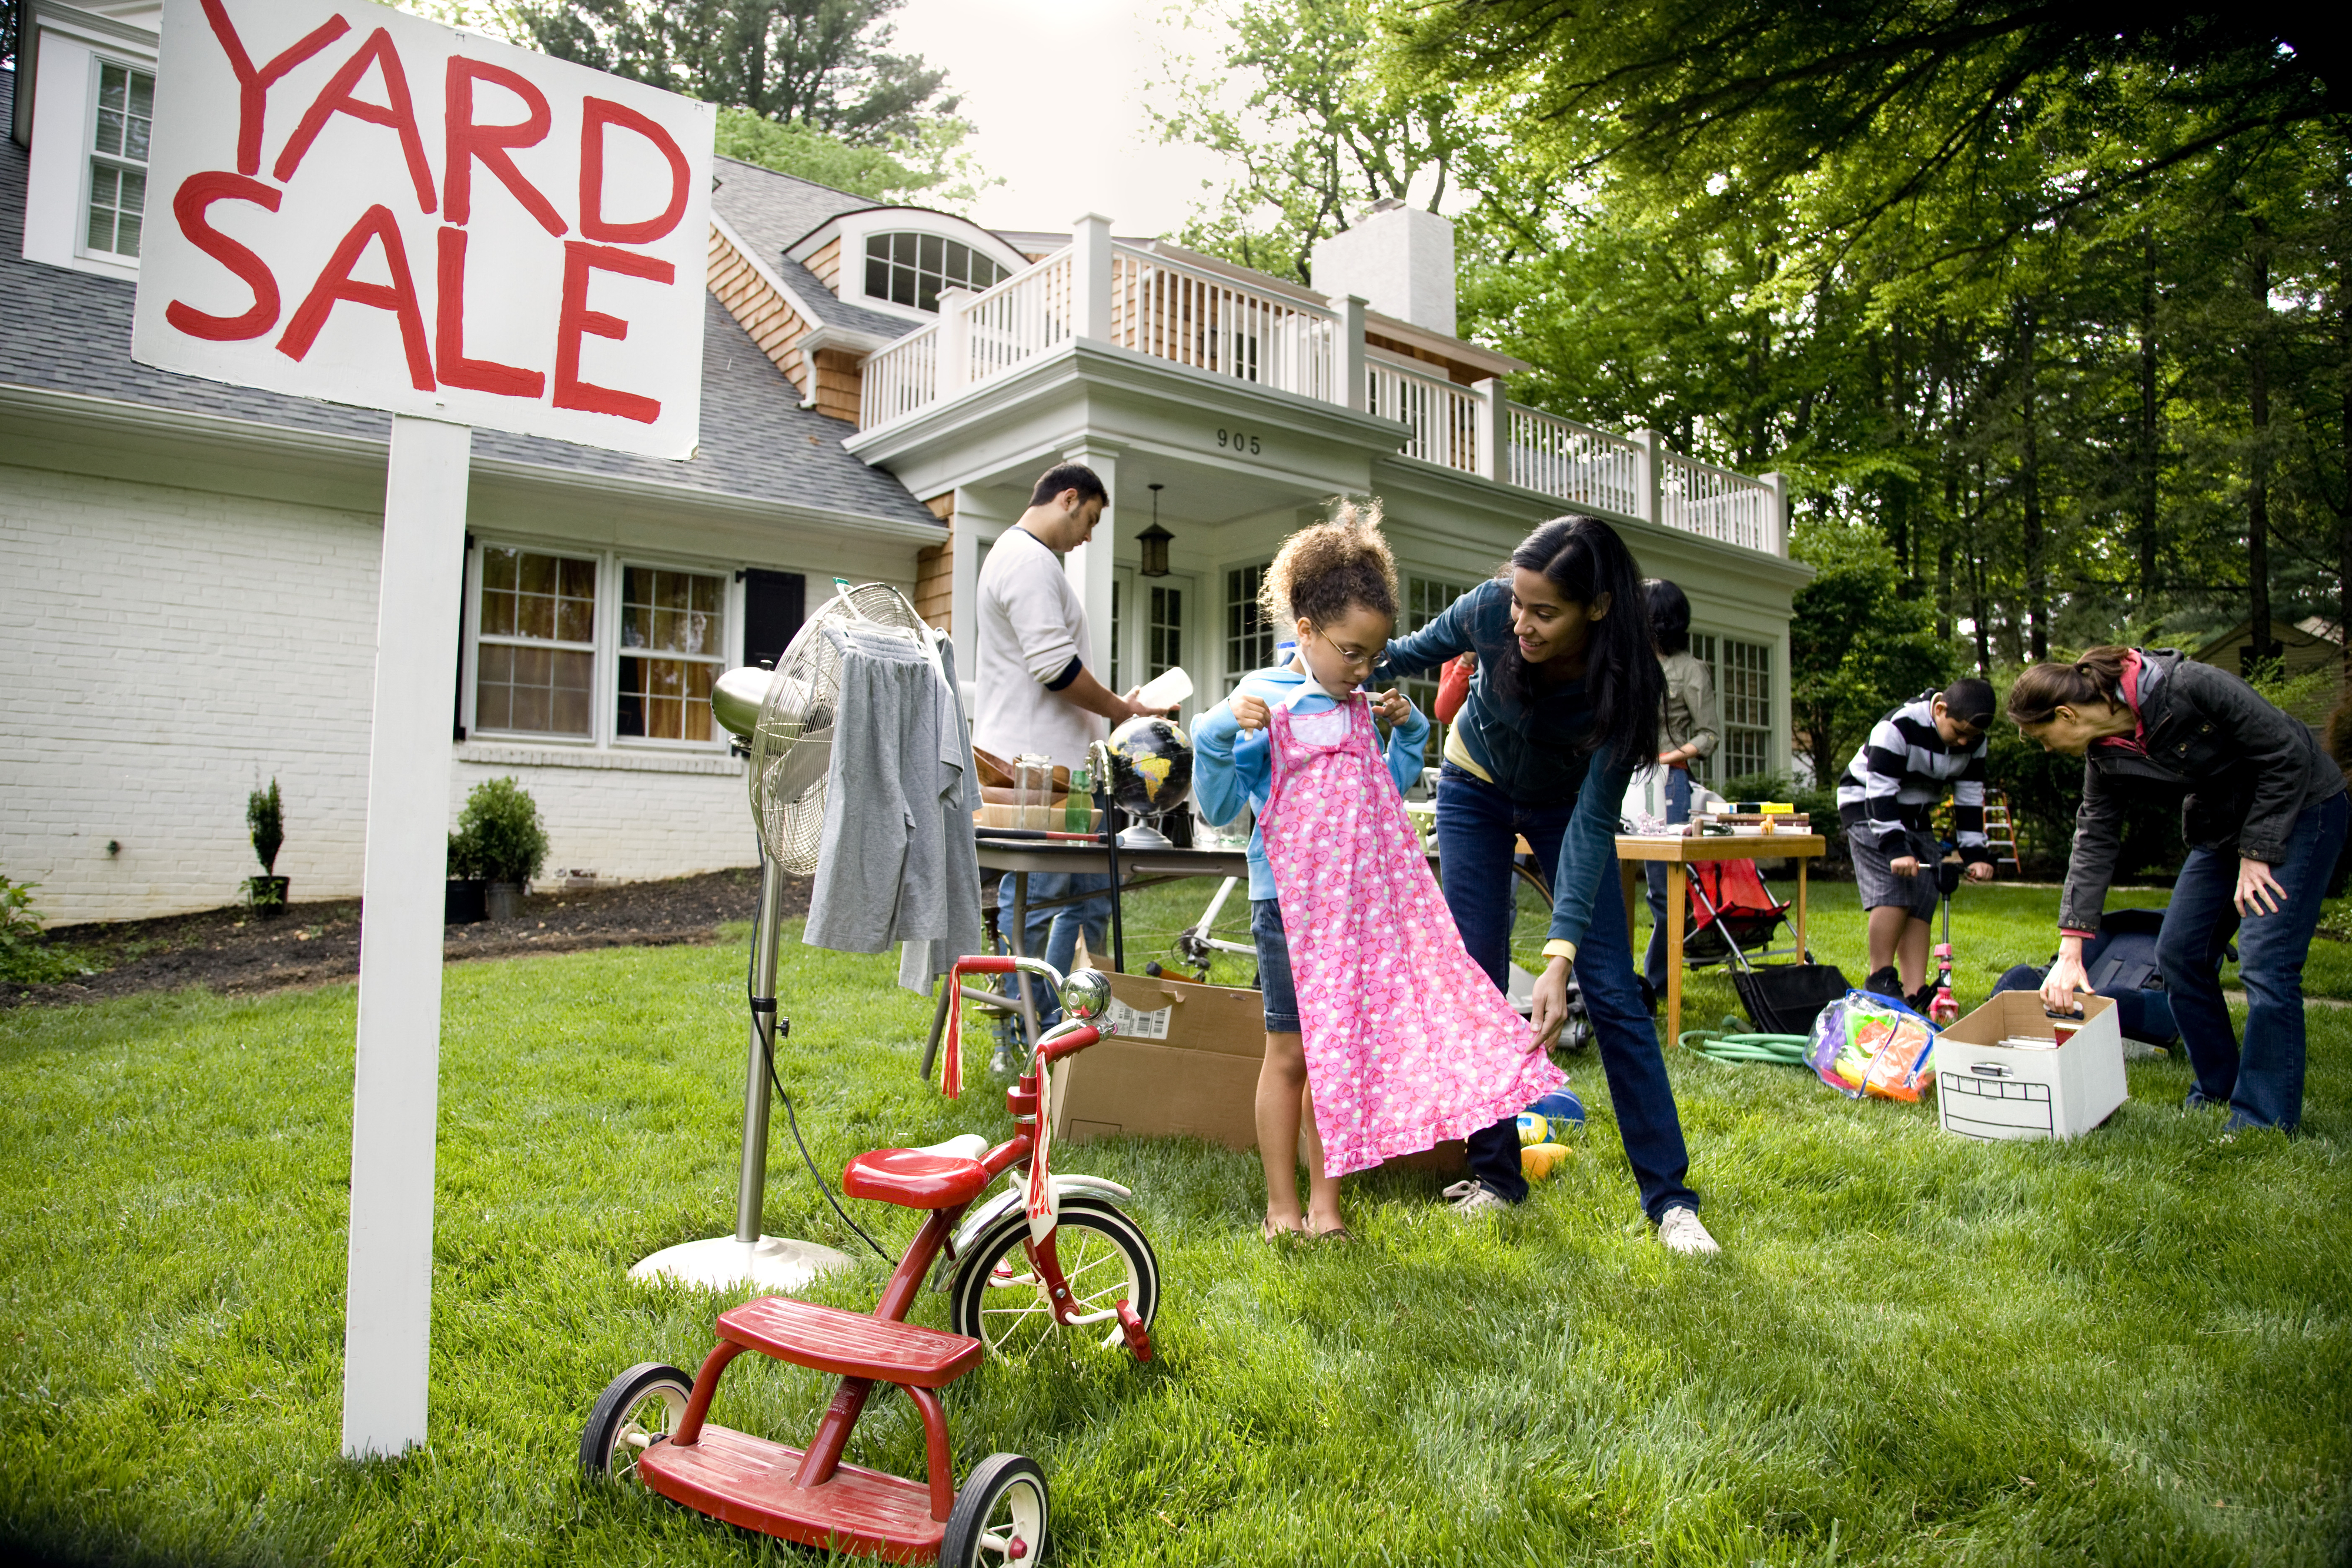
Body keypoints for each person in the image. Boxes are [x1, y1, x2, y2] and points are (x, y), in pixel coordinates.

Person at [1380, 515, 1719, 1255]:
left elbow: (1597, 823)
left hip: (1569, 807)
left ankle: (1669, 1201)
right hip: (1474, 787)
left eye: (1543, 611)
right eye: (1517, 604)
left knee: (1613, 991)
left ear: (1595, 607)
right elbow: (1401, 656)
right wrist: (1312, 674)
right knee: (1476, 976)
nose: (1521, 623)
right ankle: (1495, 1177)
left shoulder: (1630, 683)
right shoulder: (1486, 611)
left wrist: (1559, 954)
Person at [1192, 508, 1432, 1240]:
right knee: (1291, 1050)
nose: (1363, 669)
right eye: (1352, 652)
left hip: (1353, 908)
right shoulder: (1263, 703)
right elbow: (1220, 804)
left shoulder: (1362, 709)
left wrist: (1412, 734)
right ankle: (1281, 1206)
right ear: (1304, 628)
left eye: (1373, 656)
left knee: (1337, 1054)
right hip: (1286, 905)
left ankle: (1325, 1208)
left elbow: (1382, 801)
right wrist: (1217, 729)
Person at [2009, 646, 2347, 1134]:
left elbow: (2286, 752)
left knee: (2266, 960)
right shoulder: (2104, 754)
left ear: (2066, 714)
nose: (2046, 748)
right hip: (2224, 826)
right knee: (2180, 953)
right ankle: (2218, 1087)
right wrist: (2071, 946)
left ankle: (2264, 1120)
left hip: (2301, 808)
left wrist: (2258, 851)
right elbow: (2094, 838)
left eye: (2043, 736)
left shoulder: (2187, 685)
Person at [971, 462, 1167, 1031]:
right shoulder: (1026, 559)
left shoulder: (1035, 562)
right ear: (1068, 498)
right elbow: (1055, 669)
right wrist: (1121, 710)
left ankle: (1070, 1016)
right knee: (1039, 894)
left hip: (1068, 770)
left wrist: (1114, 707)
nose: (1087, 537)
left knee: (1090, 897)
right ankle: (1022, 1026)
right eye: (1091, 521)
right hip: (1032, 769)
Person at [1835, 680, 2000, 1007]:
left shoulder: (1973, 740)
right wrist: (1896, 849)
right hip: (1867, 806)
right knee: (1894, 888)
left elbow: (1968, 797)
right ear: (1940, 710)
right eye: (1959, 732)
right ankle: (1880, 977)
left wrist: (1975, 853)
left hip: (1915, 812)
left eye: (1973, 737)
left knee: (1925, 892)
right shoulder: (1897, 728)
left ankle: (1914, 993)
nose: (1965, 742)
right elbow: (1879, 791)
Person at [1642, 580, 1718, 1008]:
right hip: (1624, 776)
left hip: (1668, 783)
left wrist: (1670, 757)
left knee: (1663, 890)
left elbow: (1709, 734)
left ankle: (1657, 985)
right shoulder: (1629, 661)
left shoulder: (1691, 670)